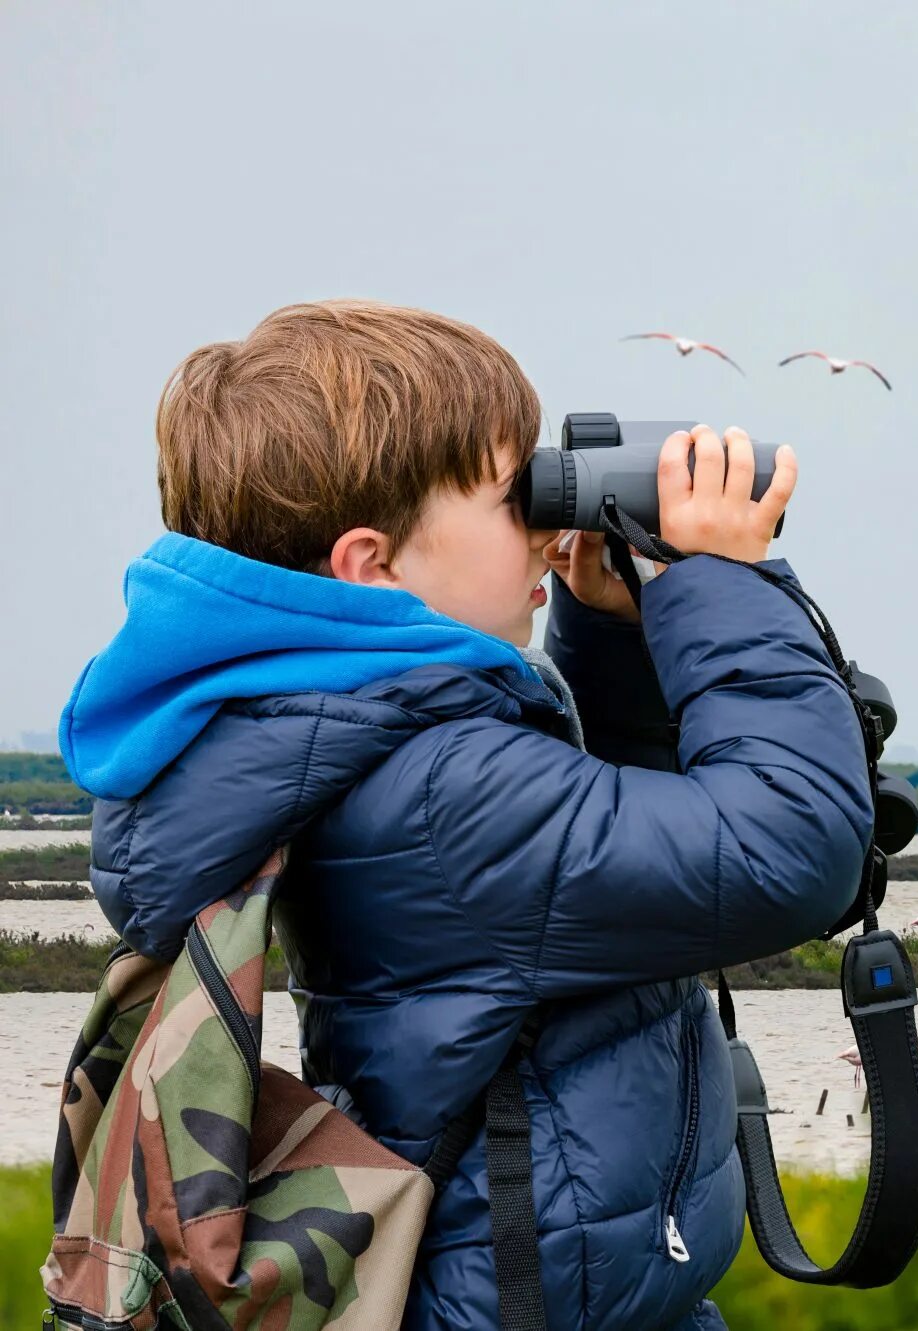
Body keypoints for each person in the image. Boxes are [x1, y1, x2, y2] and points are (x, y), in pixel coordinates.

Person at [56, 300, 871, 1329]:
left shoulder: (346, 741)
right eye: (508, 496)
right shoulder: (445, 788)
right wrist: (721, 584)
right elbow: (785, 847)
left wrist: (614, 637)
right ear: (371, 564)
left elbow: (605, 847)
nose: (543, 520)